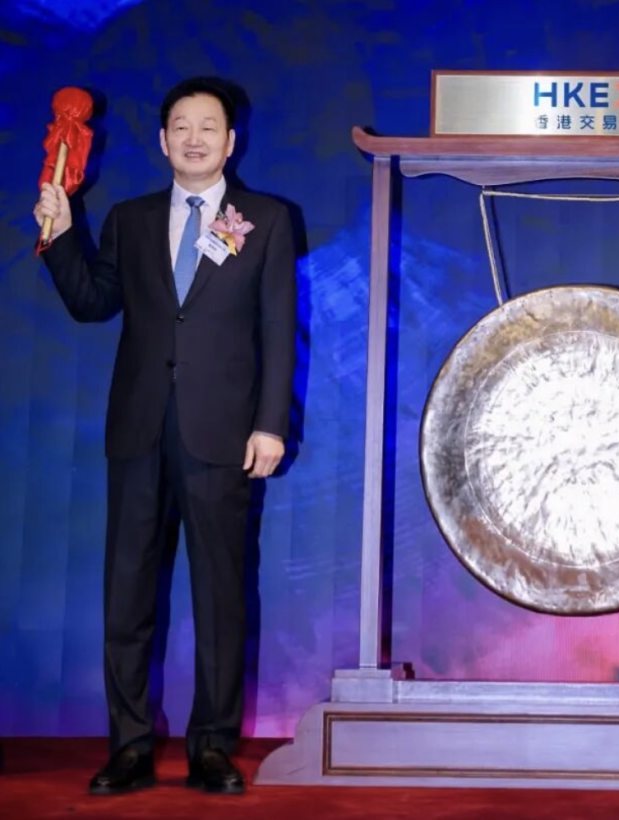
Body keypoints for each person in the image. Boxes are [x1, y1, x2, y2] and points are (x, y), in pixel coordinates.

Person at [33, 77, 297, 796]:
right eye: (181, 125)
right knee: (127, 596)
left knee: (220, 596)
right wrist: (61, 233)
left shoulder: (266, 219)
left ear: (230, 141)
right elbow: (92, 303)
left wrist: (270, 423)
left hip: (223, 433)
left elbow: (279, 328)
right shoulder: (131, 218)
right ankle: (129, 747)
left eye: (208, 126)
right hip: (139, 429)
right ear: (162, 140)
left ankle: (212, 747)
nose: (194, 137)